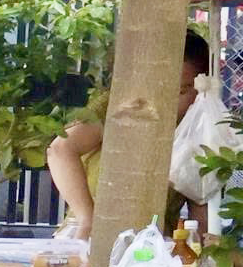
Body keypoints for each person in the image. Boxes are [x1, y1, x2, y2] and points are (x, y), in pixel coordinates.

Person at [46, 31, 226, 240]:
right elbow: (60, 150)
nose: (165, 100)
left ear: (202, 86)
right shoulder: (116, 103)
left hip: (154, 246)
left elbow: (201, 203)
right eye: (158, 87)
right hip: (87, 236)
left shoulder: (200, 128)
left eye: (180, 92)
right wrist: (88, 219)